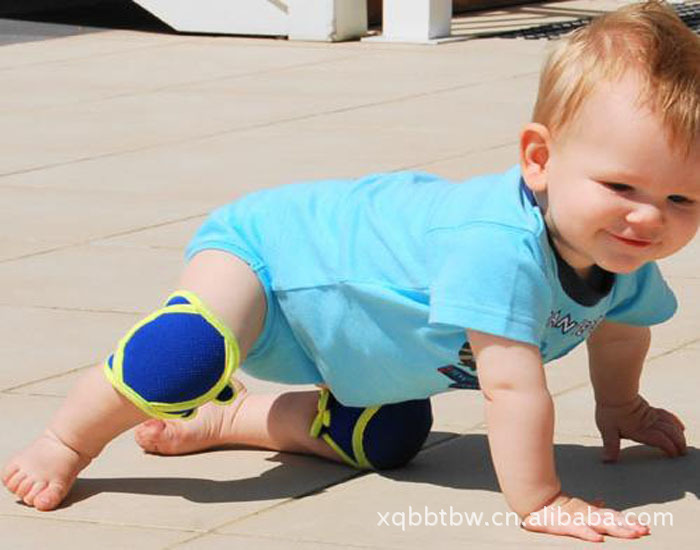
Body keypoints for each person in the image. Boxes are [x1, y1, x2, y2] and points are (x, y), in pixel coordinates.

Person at [3, 0, 698, 542]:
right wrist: (541, 499)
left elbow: (620, 332)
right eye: (622, 187)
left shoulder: (620, 253)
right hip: (270, 262)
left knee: (387, 437)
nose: (648, 219)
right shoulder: (498, 244)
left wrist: (621, 405)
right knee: (187, 354)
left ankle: (227, 419)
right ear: (539, 161)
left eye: (681, 198)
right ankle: (66, 437)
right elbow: (512, 389)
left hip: (348, 338)